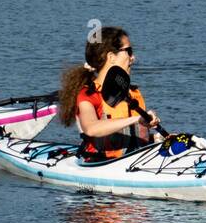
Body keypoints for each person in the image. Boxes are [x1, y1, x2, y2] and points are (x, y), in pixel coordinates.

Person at [57, 27, 162, 159]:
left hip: (136, 160)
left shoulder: (132, 92)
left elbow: (131, 136)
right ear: (111, 57)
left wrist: (156, 138)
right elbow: (91, 128)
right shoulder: (88, 95)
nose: (133, 58)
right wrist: (137, 119)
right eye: (128, 51)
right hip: (101, 163)